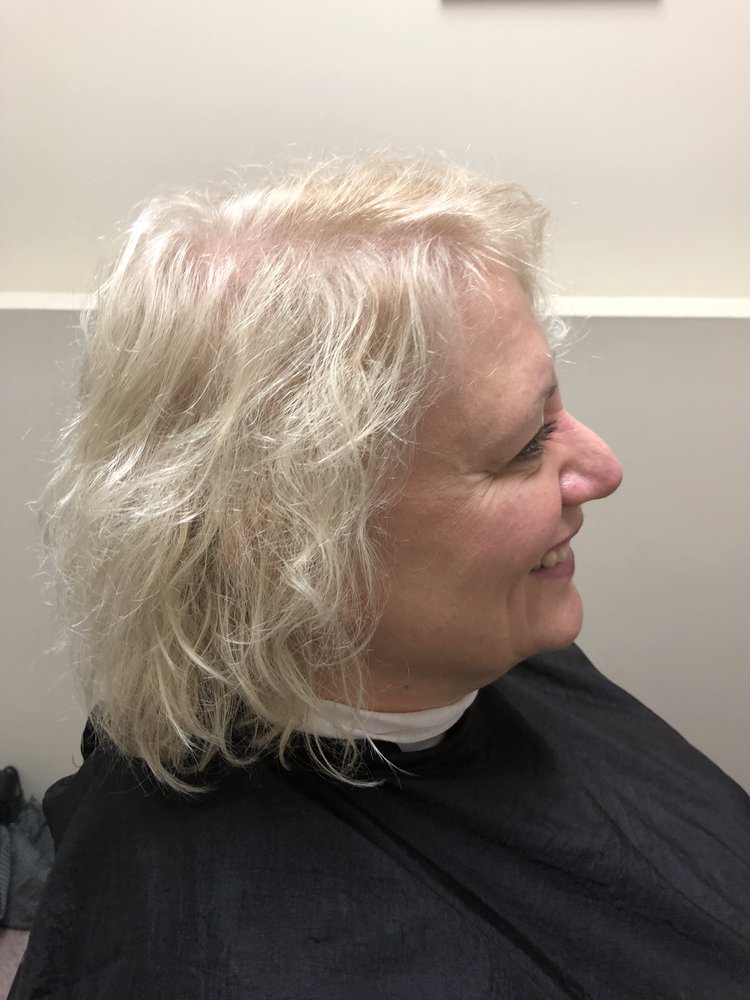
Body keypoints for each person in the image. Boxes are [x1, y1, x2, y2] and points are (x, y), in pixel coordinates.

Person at [11, 159, 750, 999]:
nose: (604, 469)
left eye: (556, 409)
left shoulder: (478, 644)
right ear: (290, 542)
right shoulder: (236, 963)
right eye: (524, 445)